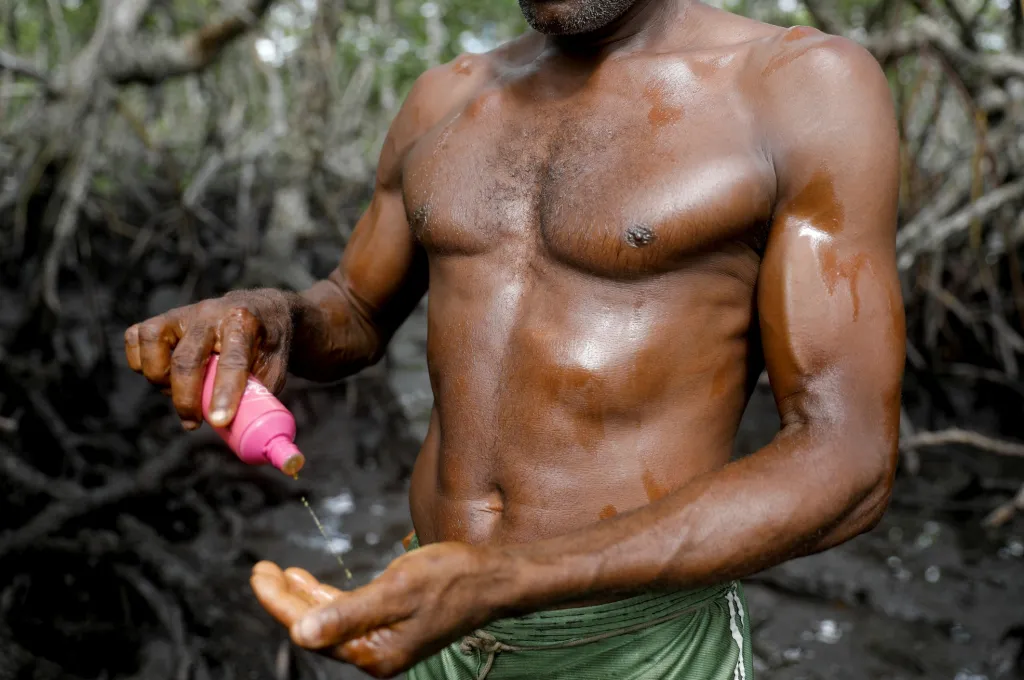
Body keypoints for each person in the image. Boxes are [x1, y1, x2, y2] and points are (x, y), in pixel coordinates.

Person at [124, 0, 905, 677]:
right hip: (433, 628)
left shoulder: (799, 89)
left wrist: (501, 579)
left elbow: (848, 457)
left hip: (636, 650)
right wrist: (278, 317)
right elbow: (357, 309)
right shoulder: (445, 99)